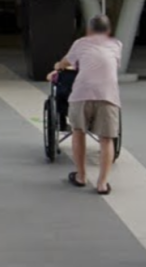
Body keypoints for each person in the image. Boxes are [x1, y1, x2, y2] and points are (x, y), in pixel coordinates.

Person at [51, 15, 122, 195]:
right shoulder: (117, 45)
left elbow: (67, 63)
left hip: (82, 94)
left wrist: (58, 65)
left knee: (78, 132)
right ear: (108, 31)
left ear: (89, 30)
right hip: (108, 95)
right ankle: (102, 184)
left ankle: (81, 176)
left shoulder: (80, 43)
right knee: (106, 139)